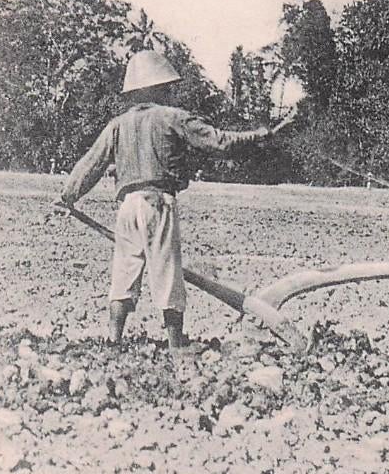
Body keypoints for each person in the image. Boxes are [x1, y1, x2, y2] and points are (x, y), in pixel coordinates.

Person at [53, 50, 296, 355]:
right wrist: (261, 135)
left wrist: (68, 196)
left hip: (127, 207)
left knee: (125, 272)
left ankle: (113, 341)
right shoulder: (172, 118)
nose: (169, 90)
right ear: (154, 88)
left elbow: (91, 164)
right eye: (165, 85)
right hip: (159, 203)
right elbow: (218, 141)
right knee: (168, 273)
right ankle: (175, 343)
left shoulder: (117, 125)